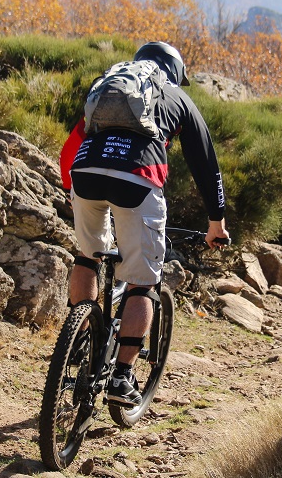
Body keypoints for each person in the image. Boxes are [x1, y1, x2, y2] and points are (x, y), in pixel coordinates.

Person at [59, 41, 229, 407]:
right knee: (143, 281)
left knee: (88, 257)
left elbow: (70, 146)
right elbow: (206, 166)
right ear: (176, 73)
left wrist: (73, 189)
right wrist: (216, 222)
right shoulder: (177, 98)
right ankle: (121, 377)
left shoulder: (107, 85)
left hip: (84, 172)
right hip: (137, 178)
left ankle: (82, 346)